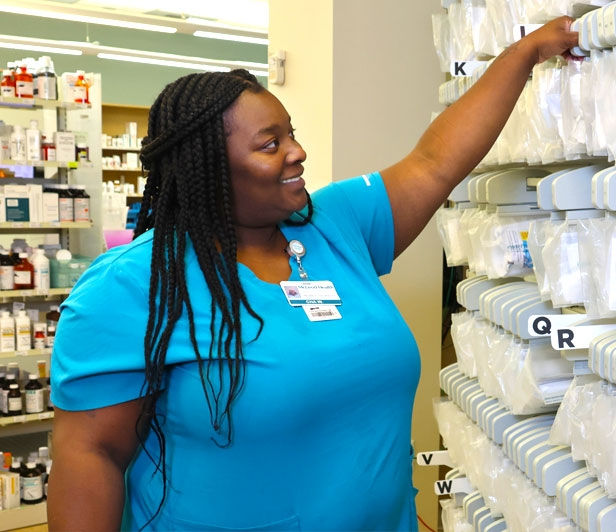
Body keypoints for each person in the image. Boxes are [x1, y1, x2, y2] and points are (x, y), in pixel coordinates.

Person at [47, 16, 578, 532]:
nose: (297, 153)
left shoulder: (333, 226)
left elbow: (434, 161)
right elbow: (91, 454)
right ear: (206, 167)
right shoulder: (132, 286)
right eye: (270, 144)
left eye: (291, 135)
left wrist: (524, 53)